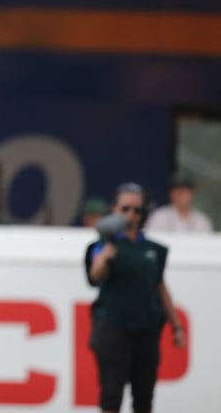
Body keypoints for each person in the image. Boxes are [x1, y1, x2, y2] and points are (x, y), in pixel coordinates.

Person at [85, 182, 186, 413]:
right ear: (114, 209)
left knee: (144, 399)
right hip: (115, 328)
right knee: (111, 398)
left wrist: (176, 326)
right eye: (125, 208)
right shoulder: (104, 243)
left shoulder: (153, 249)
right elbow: (94, 276)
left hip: (146, 329)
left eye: (137, 210)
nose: (131, 214)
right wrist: (104, 259)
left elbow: (160, 288)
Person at [145, 172, 213, 233]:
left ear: (192, 193)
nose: (181, 194)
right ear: (170, 193)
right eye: (177, 190)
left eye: (185, 190)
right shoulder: (159, 217)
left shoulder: (202, 220)